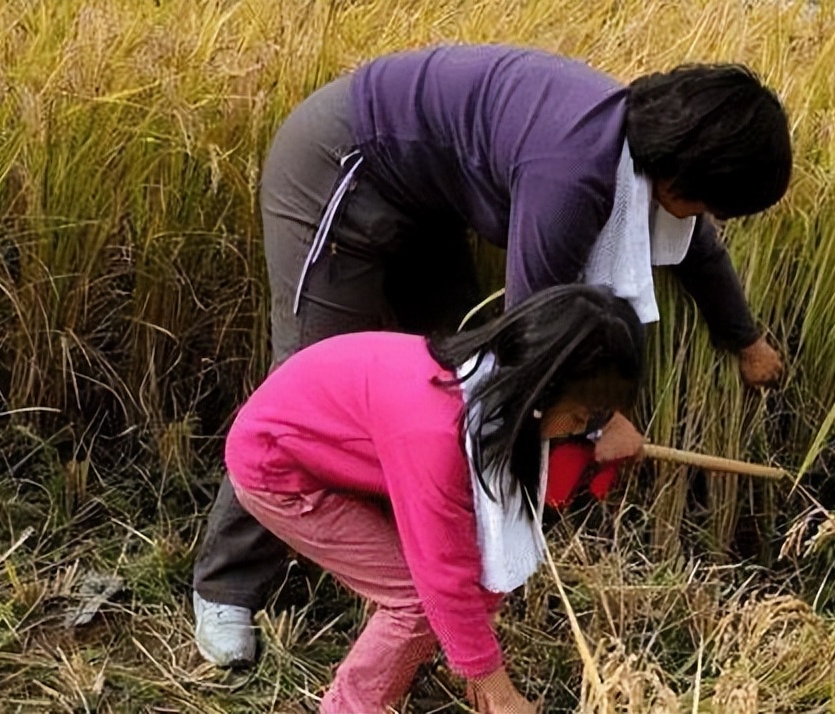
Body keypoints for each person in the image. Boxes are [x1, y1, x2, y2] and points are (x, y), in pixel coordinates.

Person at [193, 43, 792, 667]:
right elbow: (532, 348)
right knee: (300, 386)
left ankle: (403, 566)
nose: (706, 219)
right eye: (710, 203)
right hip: (344, 168)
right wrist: (599, 418)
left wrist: (745, 340)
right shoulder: (572, 174)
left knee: (456, 382)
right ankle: (225, 587)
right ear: (677, 177)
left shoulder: (648, 143)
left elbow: (695, 244)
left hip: (427, 201)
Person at [224, 284, 645, 713]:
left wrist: (600, 424)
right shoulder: (437, 435)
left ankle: (422, 655)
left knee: (437, 584)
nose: (577, 429)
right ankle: (349, 706)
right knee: (415, 597)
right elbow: (442, 578)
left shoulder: (489, 381)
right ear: (539, 387)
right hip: (277, 467)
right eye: (579, 416)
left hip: (337, 445)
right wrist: (496, 689)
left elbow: (474, 542)